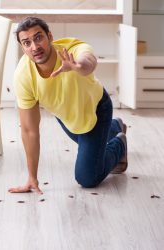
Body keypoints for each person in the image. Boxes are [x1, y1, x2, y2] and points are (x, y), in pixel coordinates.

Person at [8, 17, 128, 194]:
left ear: (50, 36)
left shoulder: (70, 49)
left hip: (97, 107)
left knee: (87, 177)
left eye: (38, 37)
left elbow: (89, 62)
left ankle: (120, 144)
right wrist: (32, 178)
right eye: (27, 43)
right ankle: (115, 126)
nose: (34, 47)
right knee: (91, 142)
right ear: (23, 48)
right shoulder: (23, 76)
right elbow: (29, 130)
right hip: (67, 115)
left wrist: (77, 66)